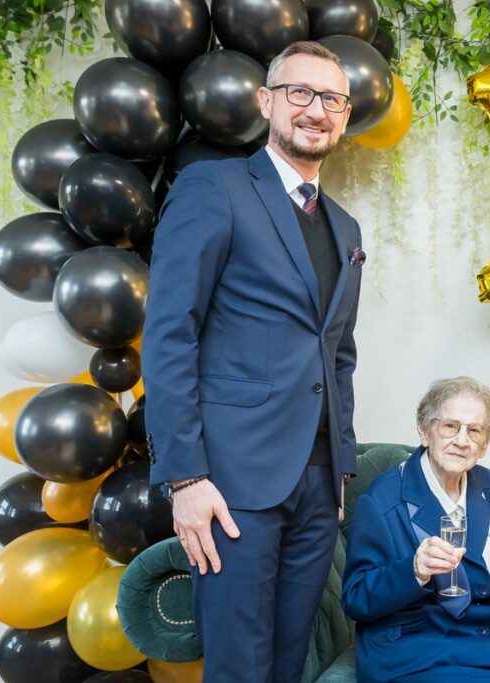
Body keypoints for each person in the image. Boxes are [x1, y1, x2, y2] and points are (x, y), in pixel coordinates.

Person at [143, 41, 363, 682]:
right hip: (230, 481)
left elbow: (339, 353)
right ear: (267, 101)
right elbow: (170, 333)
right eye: (300, 93)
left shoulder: (345, 228)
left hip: (319, 485)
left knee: (288, 662)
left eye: (331, 99)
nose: (315, 110)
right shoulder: (215, 187)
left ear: (344, 117)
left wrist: (341, 469)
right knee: (239, 666)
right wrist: (185, 478)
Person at [343, 377, 490, 683]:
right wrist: (414, 570)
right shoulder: (382, 498)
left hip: (487, 645)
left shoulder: (487, 485)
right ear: (424, 431)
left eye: (474, 430)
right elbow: (355, 598)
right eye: (450, 426)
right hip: (417, 651)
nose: (462, 440)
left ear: (485, 444)